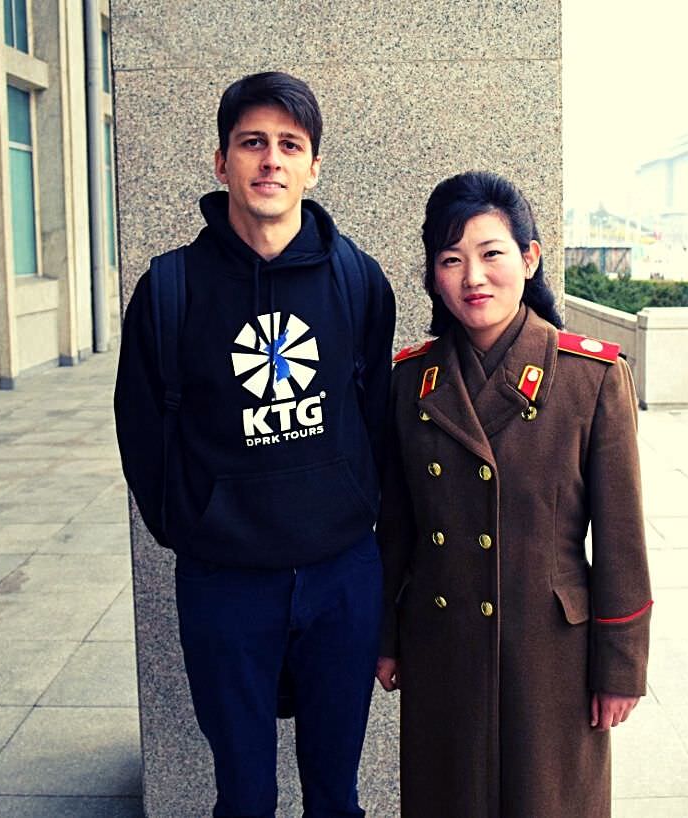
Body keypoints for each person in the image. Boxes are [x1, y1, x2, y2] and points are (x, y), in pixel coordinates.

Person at [114, 71, 396, 817]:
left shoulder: (359, 282)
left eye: (289, 145)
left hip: (341, 576)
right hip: (225, 582)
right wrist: (192, 528)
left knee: (336, 795)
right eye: (252, 143)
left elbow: (375, 418)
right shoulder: (170, 288)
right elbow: (140, 429)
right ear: (222, 163)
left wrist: (354, 509)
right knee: (243, 796)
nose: (271, 160)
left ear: (313, 166)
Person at [374, 171, 651, 818]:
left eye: (491, 253)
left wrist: (620, 666)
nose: (473, 276)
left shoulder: (590, 378)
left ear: (528, 258)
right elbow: (397, 527)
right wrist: (385, 635)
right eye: (451, 260)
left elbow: (621, 542)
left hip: (551, 653)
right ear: (433, 277)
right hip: (442, 645)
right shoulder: (409, 383)